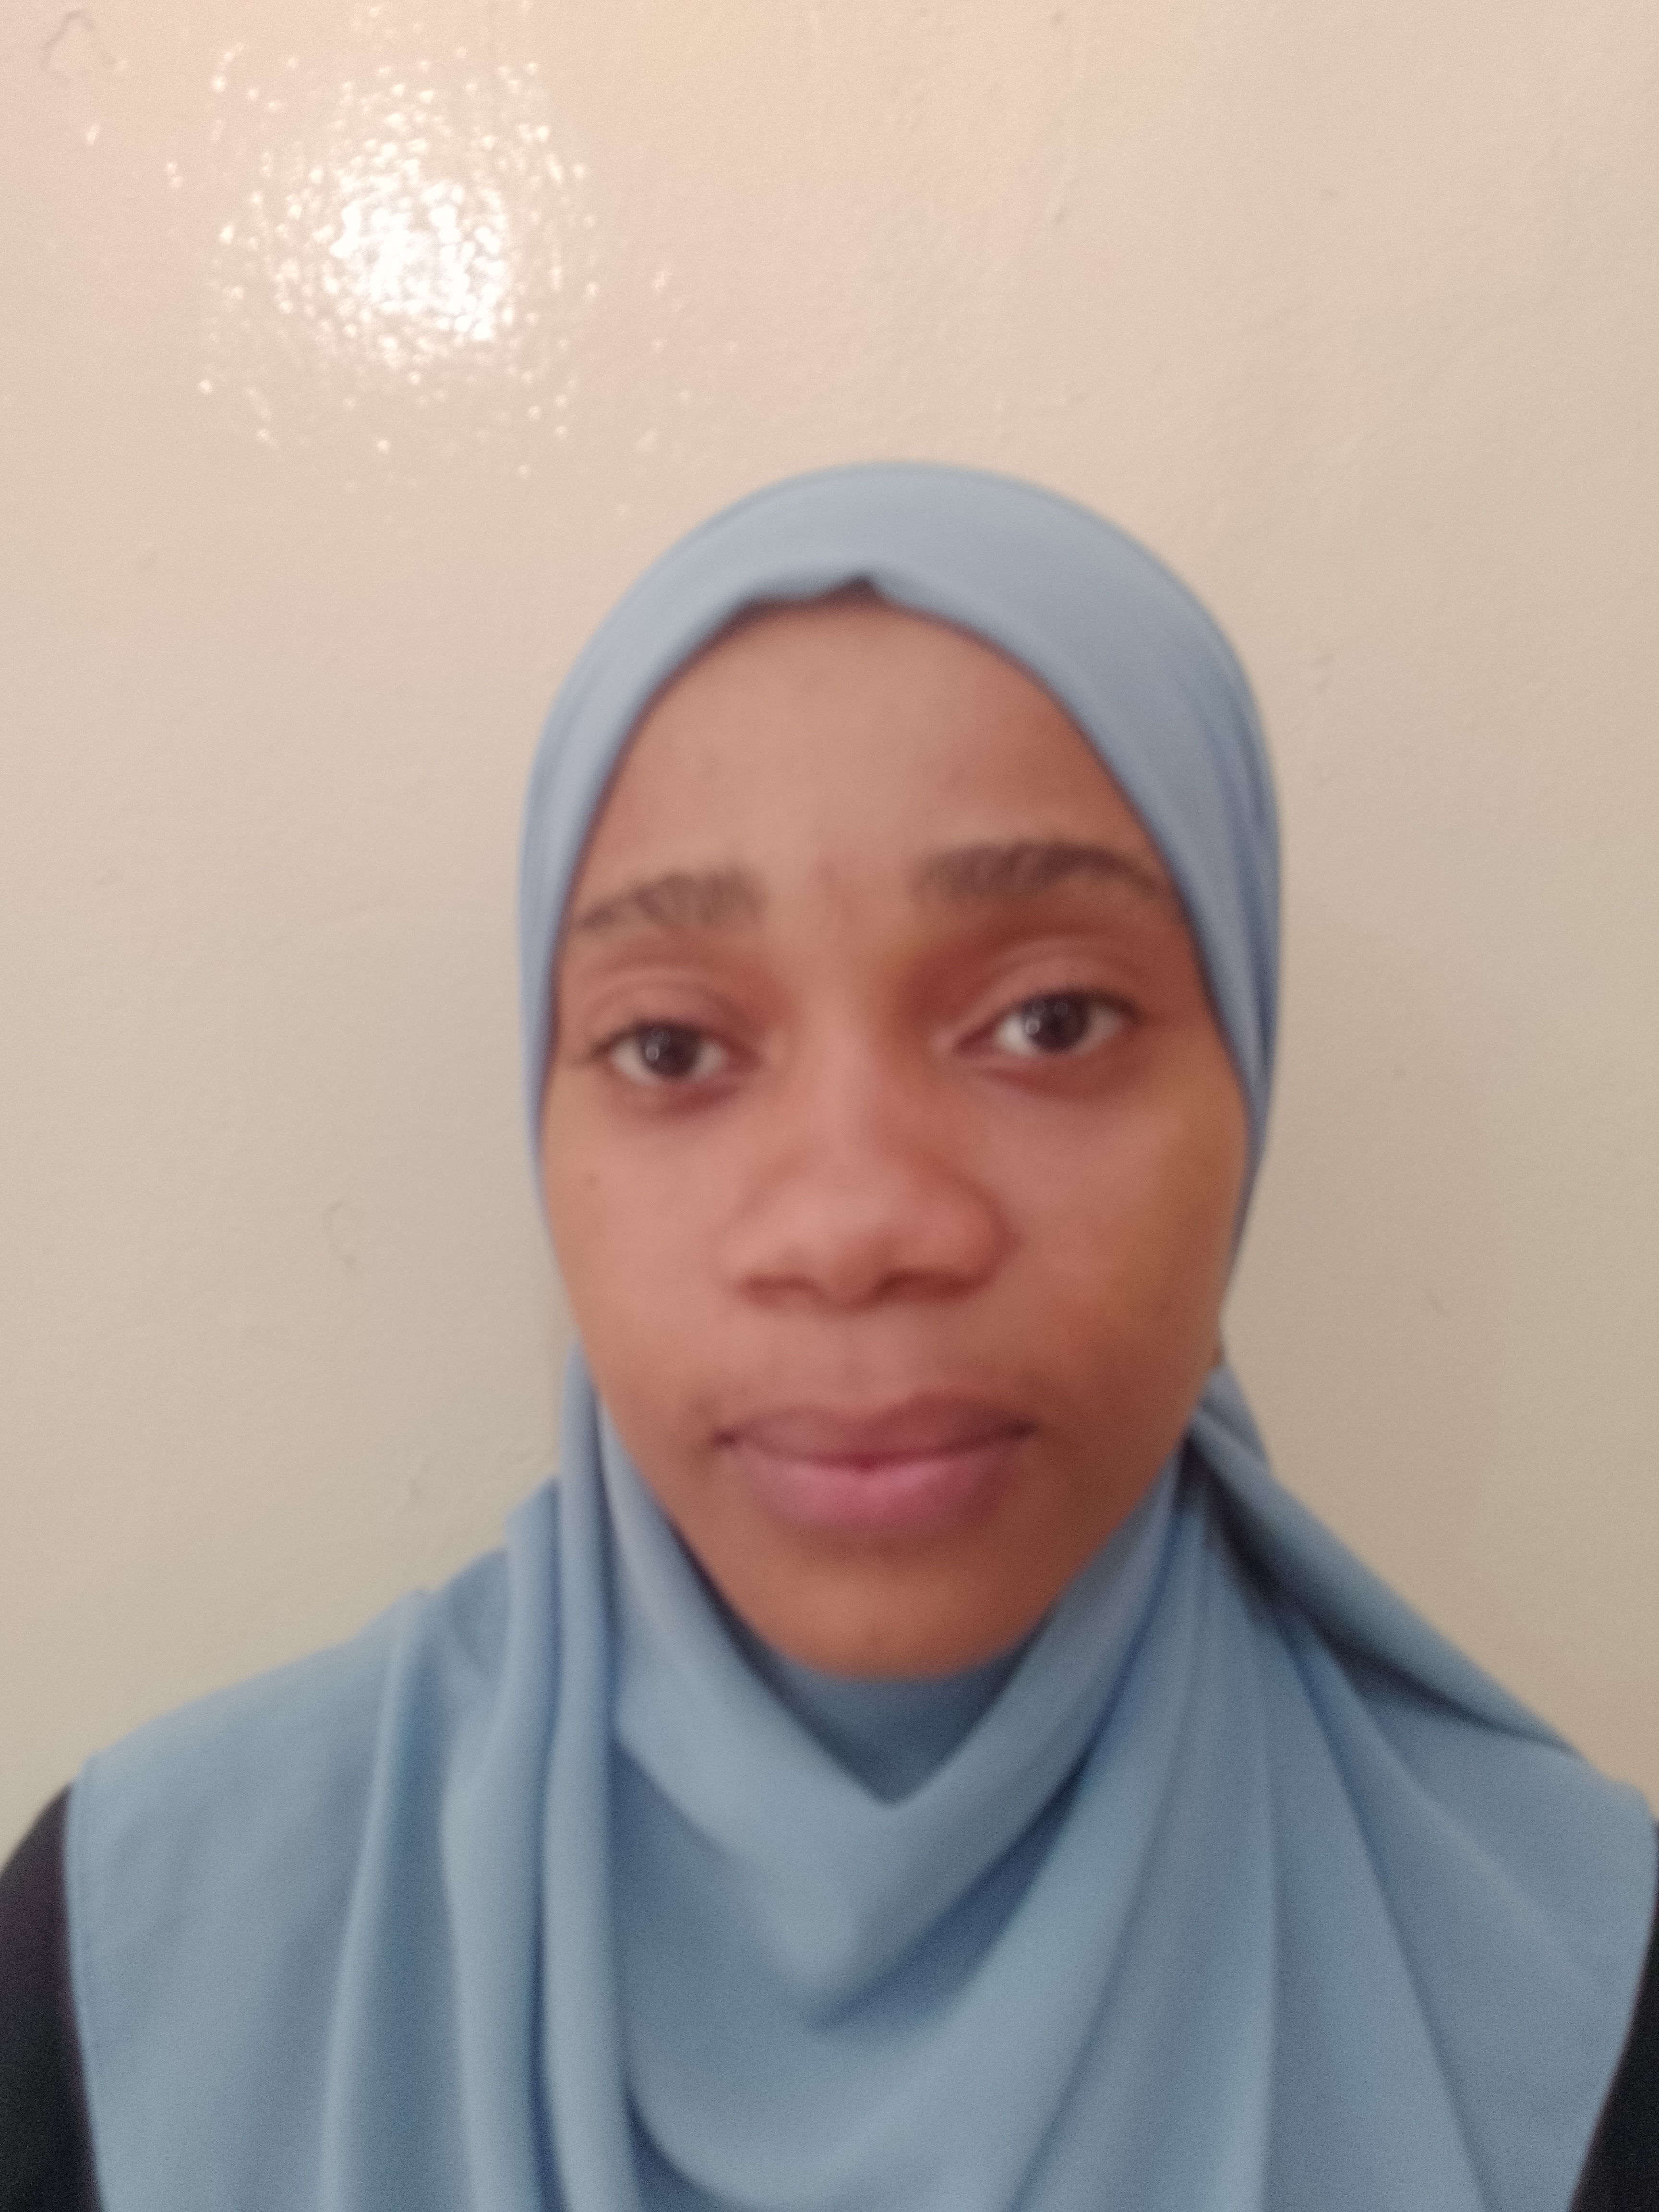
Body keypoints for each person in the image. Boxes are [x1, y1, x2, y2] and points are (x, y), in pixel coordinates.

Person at [1, 463, 1655, 2212]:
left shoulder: (1583, 2008)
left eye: (1052, 1018)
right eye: (671, 1048)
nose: (855, 1226)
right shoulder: (132, 1973)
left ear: (1247, 1075)